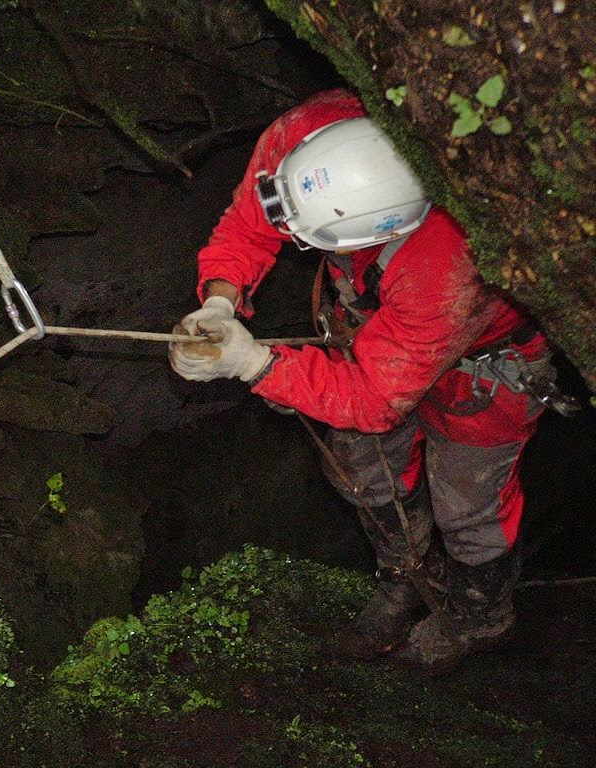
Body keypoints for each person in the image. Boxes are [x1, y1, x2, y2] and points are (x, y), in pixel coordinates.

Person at [168, 88, 560, 673]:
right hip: (366, 332)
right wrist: (220, 303)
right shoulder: (304, 139)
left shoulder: (450, 265)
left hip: (480, 374)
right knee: (362, 469)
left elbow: (375, 400)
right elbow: (248, 230)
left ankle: (480, 614)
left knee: (469, 502)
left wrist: (255, 366)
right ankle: (406, 574)